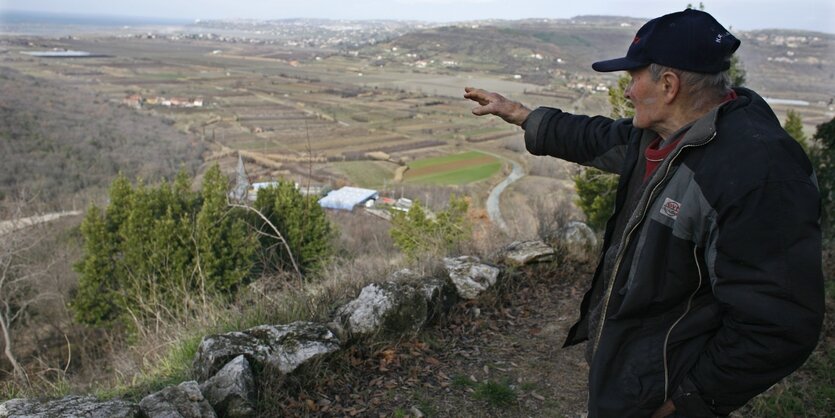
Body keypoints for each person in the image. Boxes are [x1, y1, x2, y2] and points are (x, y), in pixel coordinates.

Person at [464, 9, 824, 417]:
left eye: (635, 78)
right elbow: (593, 137)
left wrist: (690, 400)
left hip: (669, 383)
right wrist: (522, 115)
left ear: (668, 85)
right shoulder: (662, 133)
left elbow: (778, 324)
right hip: (633, 366)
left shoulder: (758, 172)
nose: (628, 91)